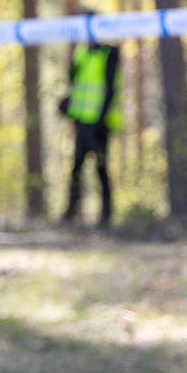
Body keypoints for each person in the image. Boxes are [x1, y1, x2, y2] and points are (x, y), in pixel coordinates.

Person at [60, 25, 120, 226]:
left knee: (101, 168)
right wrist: (67, 104)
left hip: (100, 125)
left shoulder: (109, 54)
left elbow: (110, 90)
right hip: (82, 123)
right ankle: (71, 212)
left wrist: (100, 122)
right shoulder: (81, 52)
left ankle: (106, 216)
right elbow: (75, 84)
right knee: (76, 167)